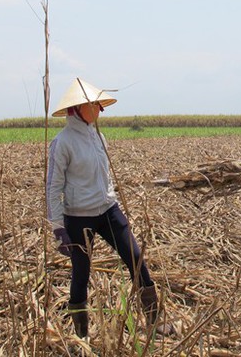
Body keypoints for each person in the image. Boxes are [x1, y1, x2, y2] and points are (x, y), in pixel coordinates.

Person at [46, 78, 173, 338]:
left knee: (136, 259)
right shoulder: (63, 142)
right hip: (79, 218)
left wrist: (111, 194)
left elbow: (105, 176)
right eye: (94, 105)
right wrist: (58, 228)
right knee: (81, 274)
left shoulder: (99, 136)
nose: (99, 110)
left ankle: (154, 321)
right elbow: (52, 187)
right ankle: (81, 334)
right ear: (77, 108)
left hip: (108, 211)